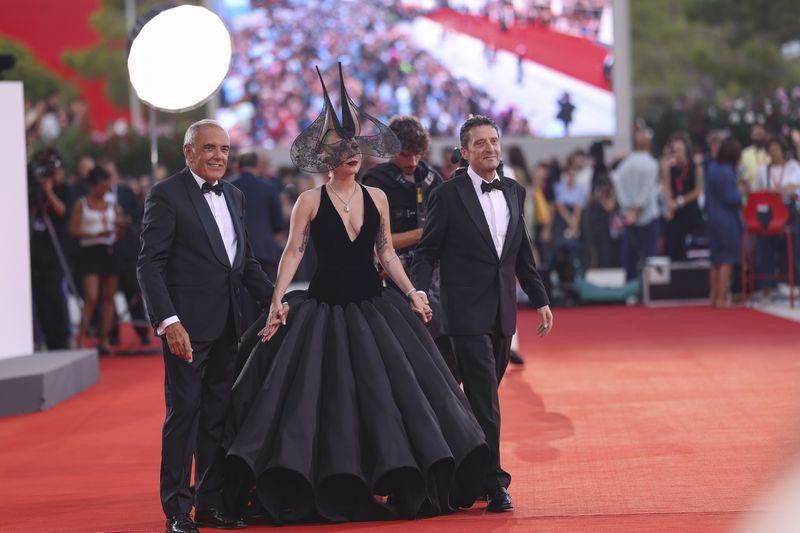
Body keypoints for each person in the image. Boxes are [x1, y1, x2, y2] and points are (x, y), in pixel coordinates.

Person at [221, 64, 489, 524]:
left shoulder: (376, 198)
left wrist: (413, 293)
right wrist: (277, 301)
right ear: (325, 157)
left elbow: (386, 254)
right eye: (340, 149)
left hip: (376, 307)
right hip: (322, 309)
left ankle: (397, 479)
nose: (349, 155)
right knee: (326, 401)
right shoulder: (309, 201)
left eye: (354, 148)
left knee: (389, 398)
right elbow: (291, 254)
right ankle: (331, 482)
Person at [137, 119, 275, 533]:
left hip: (230, 324)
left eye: (225, 149)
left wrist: (274, 300)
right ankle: (176, 510)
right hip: (187, 330)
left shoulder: (234, 194)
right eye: (210, 148)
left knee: (217, 415)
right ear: (188, 151)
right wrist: (168, 321)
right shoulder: (166, 195)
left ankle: (209, 503)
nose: (219, 156)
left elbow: (245, 262)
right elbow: (149, 264)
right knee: (185, 415)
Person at [411, 114, 553, 513]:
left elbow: (521, 251)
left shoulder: (514, 190)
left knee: (479, 399)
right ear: (464, 151)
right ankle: (495, 483)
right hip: (464, 312)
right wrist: (418, 291)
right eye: (480, 143)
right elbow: (427, 252)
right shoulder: (448, 194)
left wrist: (539, 297)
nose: (490, 148)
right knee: (486, 400)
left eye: (494, 141)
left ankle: (458, 475)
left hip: (502, 313)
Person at [361, 115, 458, 378]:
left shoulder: (432, 178)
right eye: (405, 154)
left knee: (448, 342)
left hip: (434, 275)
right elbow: (377, 241)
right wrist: (422, 234)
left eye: (417, 154)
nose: (412, 162)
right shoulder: (374, 181)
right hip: (392, 277)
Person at [69, 166, 125, 353]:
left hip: (109, 250)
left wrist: (120, 226)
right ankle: (81, 338)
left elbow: (118, 233)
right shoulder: (82, 203)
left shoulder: (112, 205)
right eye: (102, 187)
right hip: (90, 252)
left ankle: (104, 339)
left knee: (109, 298)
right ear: (92, 186)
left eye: (107, 187)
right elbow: (73, 230)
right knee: (91, 297)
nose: (105, 191)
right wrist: (95, 233)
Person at [228, 149, 286, 329]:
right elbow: (279, 223)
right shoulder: (268, 187)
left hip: (235, 252)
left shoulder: (227, 187)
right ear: (257, 165)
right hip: (265, 250)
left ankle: (244, 340)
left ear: (237, 165)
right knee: (266, 298)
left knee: (242, 302)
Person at [613, 128, 661, 281]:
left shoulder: (624, 165)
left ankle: (630, 288)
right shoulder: (651, 164)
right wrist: (636, 209)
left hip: (629, 215)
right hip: (646, 215)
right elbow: (647, 190)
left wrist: (628, 209)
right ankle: (649, 287)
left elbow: (618, 187)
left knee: (630, 256)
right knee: (648, 255)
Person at [705, 137, 743, 308]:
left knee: (715, 260)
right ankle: (721, 298)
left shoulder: (712, 168)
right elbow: (731, 198)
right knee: (726, 260)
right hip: (727, 220)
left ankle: (713, 296)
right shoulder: (728, 172)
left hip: (712, 218)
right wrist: (740, 193)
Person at [659, 132, 705, 261]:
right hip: (675, 214)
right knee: (672, 248)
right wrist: (669, 203)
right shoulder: (670, 168)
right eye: (674, 151)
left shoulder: (695, 167)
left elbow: (697, 190)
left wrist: (679, 202)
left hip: (690, 211)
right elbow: (666, 186)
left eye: (679, 150)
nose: (677, 154)